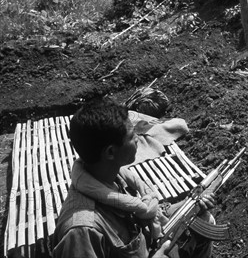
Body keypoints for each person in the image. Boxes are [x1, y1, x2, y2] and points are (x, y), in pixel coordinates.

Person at [52, 97, 216, 258]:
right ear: (110, 152)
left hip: (150, 245)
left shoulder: (115, 178)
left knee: (205, 219)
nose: (138, 139)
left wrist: (191, 204)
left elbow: (148, 216)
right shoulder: (82, 231)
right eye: (131, 136)